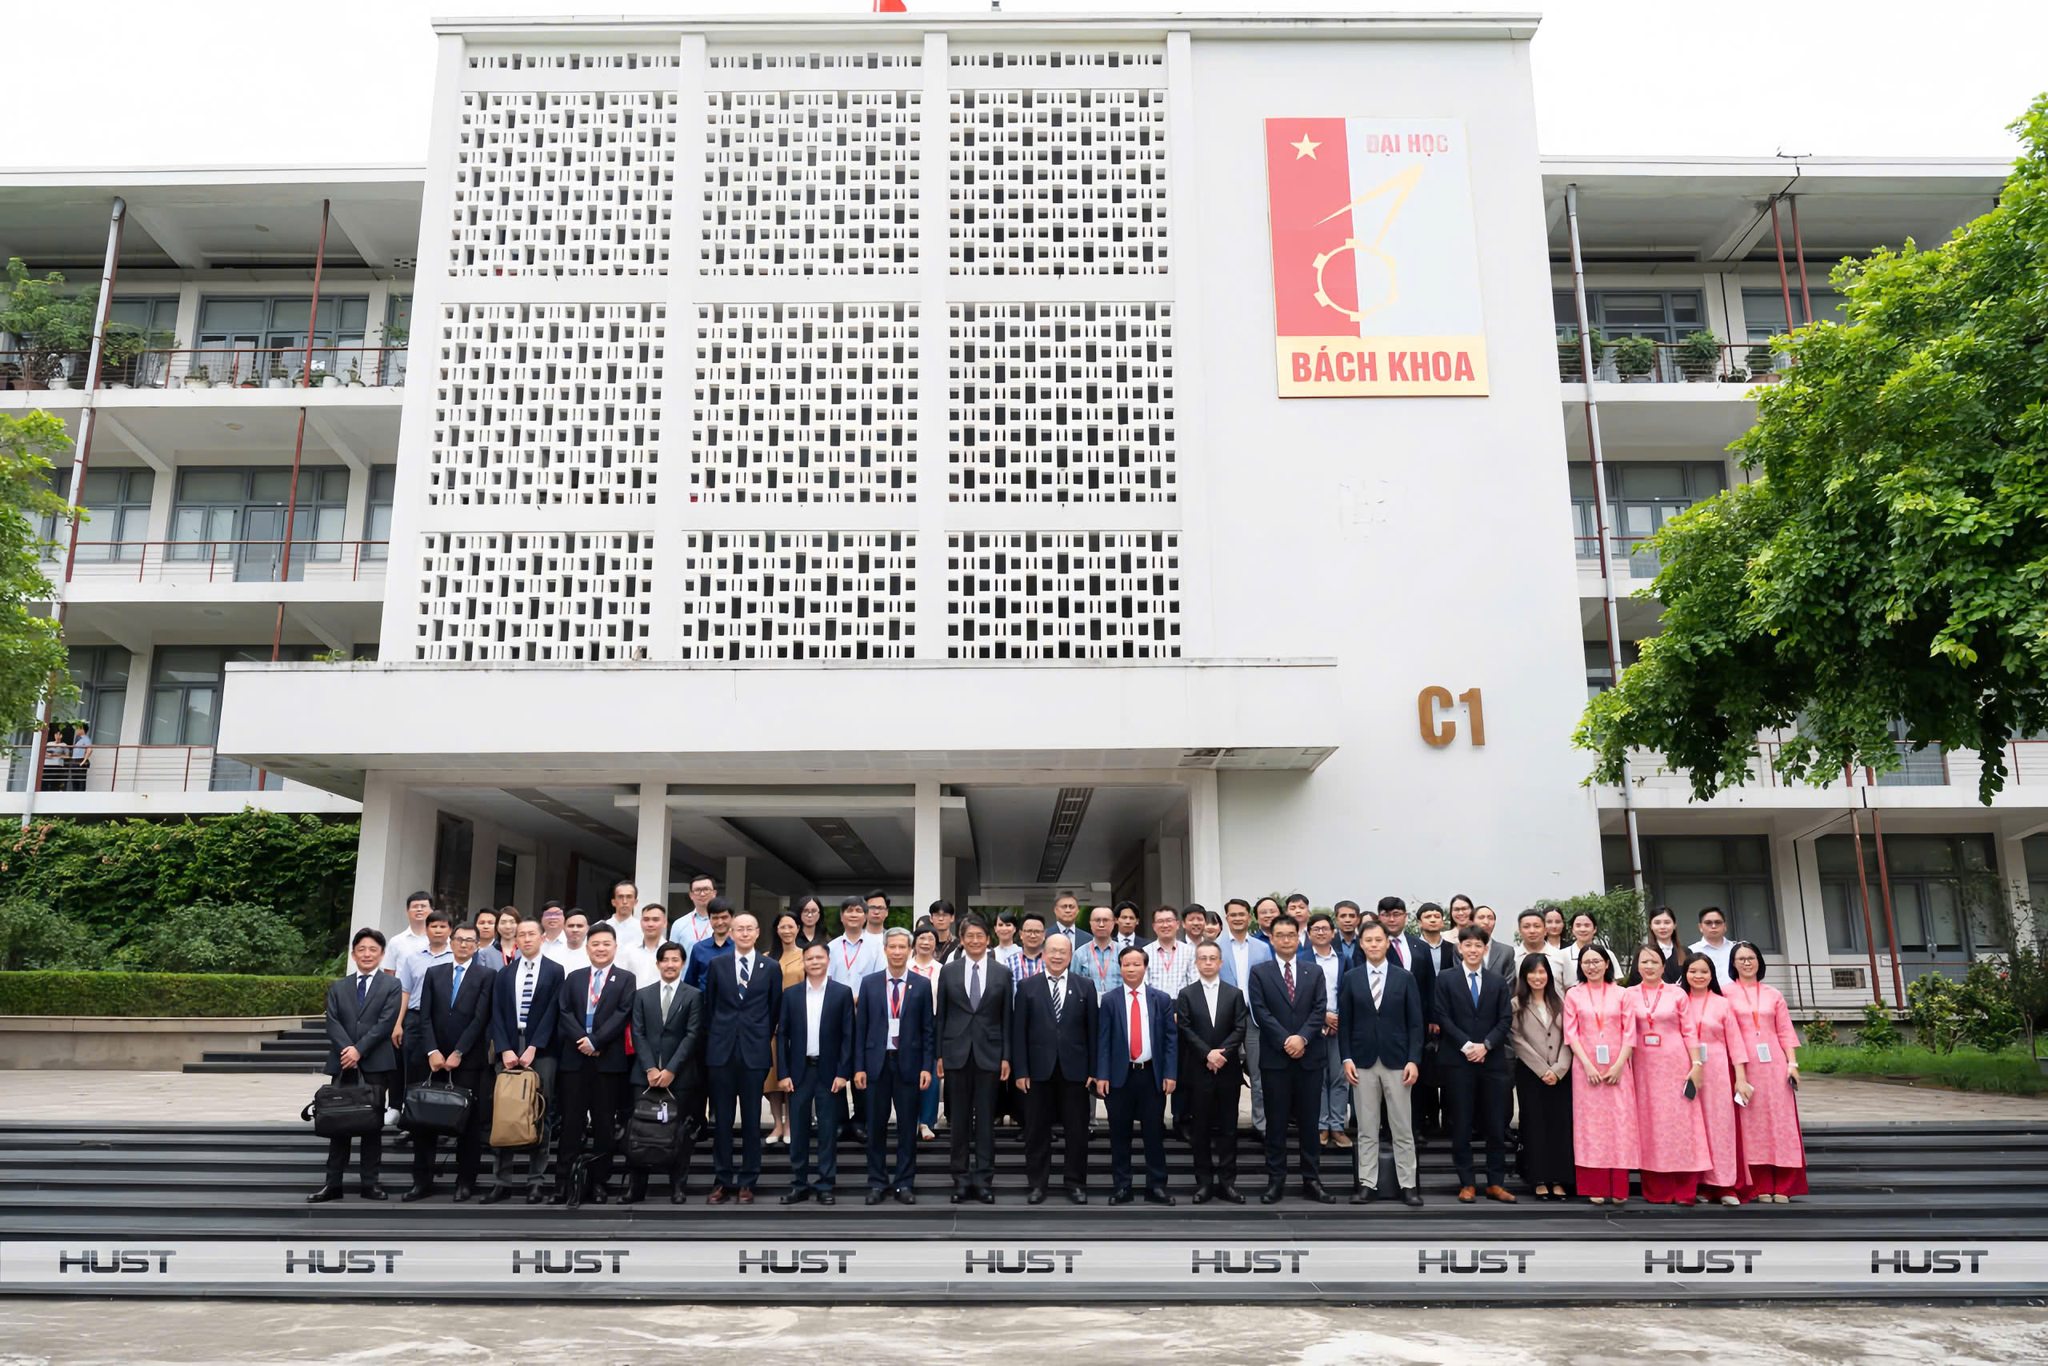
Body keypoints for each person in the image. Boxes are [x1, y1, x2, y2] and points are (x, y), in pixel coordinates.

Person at [310, 928, 402, 1203]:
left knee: (371, 1125)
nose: (367, 954)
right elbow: (332, 1022)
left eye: (373, 949)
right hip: (343, 1063)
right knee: (340, 1122)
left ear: (382, 954)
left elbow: (386, 1022)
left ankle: (370, 1183)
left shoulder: (391, 985)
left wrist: (359, 1050)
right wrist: (348, 1050)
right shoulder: (339, 987)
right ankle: (332, 1184)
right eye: (361, 949)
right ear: (353, 954)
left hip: (375, 1063)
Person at [403, 920, 492, 1203]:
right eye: (459, 939)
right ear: (451, 942)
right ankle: (422, 1181)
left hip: (467, 1060)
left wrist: (459, 1052)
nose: (463, 944)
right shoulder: (434, 973)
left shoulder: (486, 975)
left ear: (477, 946)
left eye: (470, 940)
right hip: (433, 1059)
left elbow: (480, 1019)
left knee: (468, 1123)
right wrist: (432, 1051)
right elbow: (424, 1015)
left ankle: (465, 1181)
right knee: (424, 1120)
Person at [1247, 914, 1333, 1204]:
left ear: (1299, 938)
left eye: (1290, 935)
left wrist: (1303, 1038)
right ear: (1271, 939)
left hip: (1309, 1058)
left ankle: (1312, 1179)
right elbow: (1261, 1011)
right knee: (1277, 1123)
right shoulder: (1260, 972)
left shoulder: (1314, 971)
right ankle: (1276, 1180)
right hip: (1276, 1059)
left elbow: (1319, 1008)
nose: (1286, 940)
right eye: (1279, 935)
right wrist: (1286, 1039)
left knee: (1310, 1124)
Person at [1338, 918, 1424, 1207]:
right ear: (1361, 944)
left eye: (1379, 940)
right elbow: (1346, 1023)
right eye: (1369, 940)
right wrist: (1346, 1057)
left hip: (1398, 1061)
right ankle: (1367, 1183)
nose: (1374, 945)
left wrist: (1414, 1059)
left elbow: (1415, 1024)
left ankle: (1408, 1184)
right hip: (1362, 1061)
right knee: (1367, 1127)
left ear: (1388, 943)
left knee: (1402, 1126)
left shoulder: (1405, 977)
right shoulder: (1351, 978)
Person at [482, 915, 565, 1204]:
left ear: (543, 937)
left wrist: (534, 1047)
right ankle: (502, 1180)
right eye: (522, 934)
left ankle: (535, 1181)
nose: (527, 939)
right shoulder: (504, 974)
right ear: (515, 939)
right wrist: (504, 1048)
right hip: (508, 1045)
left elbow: (554, 1012)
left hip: (541, 1051)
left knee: (540, 1113)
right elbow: (496, 1013)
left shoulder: (556, 971)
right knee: (504, 1113)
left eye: (532, 934)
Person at [552, 923, 634, 1204]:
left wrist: (597, 1041)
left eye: (606, 944)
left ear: (615, 947)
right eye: (595, 944)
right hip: (575, 1061)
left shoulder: (625, 979)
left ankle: (599, 1182)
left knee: (603, 1126)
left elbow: (623, 1013)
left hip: (607, 1062)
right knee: (571, 1124)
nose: (600, 949)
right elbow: (563, 1011)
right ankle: (563, 1183)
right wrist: (582, 1041)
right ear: (587, 948)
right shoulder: (573, 977)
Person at [702, 912, 781, 1204]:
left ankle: (748, 1180)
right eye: (739, 929)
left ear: (758, 932)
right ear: (731, 933)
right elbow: (709, 1007)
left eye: (750, 928)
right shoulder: (717, 965)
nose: (744, 933)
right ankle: (722, 1179)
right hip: (721, 1051)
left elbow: (774, 1008)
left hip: (754, 1052)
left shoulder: (770, 967)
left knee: (750, 1121)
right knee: (722, 1121)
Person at [1011, 933, 1097, 1204]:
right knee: (1036, 1132)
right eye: (1053, 951)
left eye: (1063, 951)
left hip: (1076, 1072)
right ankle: (1037, 1184)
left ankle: (1075, 1184)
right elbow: (1019, 1033)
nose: (1058, 956)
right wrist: (1021, 1071)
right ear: (1044, 954)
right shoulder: (1027, 987)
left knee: (1077, 1131)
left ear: (1070, 956)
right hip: (1038, 1072)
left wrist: (1094, 1070)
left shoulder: (1086, 986)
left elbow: (1093, 1032)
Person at [1435, 925, 1515, 1204]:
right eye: (1467, 945)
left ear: (1485, 949)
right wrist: (1467, 1046)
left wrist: (1486, 1045)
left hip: (1491, 1062)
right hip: (1458, 1061)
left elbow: (1505, 1019)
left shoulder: (1496, 982)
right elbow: (1442, 1015)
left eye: (1477, 946)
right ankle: (1467, 1182)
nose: (1472, 950)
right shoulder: (1445, 979)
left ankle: (1495, 1183)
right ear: (1460, 948)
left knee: (1495, 1125)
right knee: (1462, 1124)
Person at [1624, 943, 1710, 1205]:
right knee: (1651, 1124)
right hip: (1644, 1067)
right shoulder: (1627, 995)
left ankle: (1685, 1188)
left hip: (1675, 1062)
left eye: (1654, 962)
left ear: (1663, 965)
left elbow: (1689, 1030)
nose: (1649, 967)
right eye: (1644, 962)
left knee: (1681, 1124)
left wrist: (1696, 1064)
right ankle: (1657, 1188)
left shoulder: (1677, 994)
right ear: (1637, 966)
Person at [936, 914, 1012, 1202]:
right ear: (962, 939)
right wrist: (939, 1054)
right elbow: (941, 1015)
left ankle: (983, 1179)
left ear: (988, 939)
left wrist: (1007, 1056)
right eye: (970, 936)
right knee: (959, 1121)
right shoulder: (949, 971)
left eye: (980, 936)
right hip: (956, 1053)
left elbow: (1007, 1017)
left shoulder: (1002, 973)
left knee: (985, 1121)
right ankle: (960, 1178)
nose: (975, 941)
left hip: (990, 1054)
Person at [854, 927, 933, 1205]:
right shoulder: (870, 983)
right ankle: (876, 1182)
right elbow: (860, 1027)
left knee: (907, 1127)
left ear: (910, 950)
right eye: (893, 947)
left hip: (909, 1064)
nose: (897, 952)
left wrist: (927, 1066)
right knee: (875, 1127)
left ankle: (904, 1183)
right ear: (885, 950)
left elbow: (927, 1030)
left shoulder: (921, 985)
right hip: (876, 1064)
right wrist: (859, 1066)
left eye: (902, 947)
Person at [1096, 945, 1177, 1205]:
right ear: (1120, 969)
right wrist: (1102, 1075)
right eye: (1126, 965)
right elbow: (1103, 1041)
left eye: (1136, 964)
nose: (1131, 969)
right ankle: (1122, 1186)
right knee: (1119, 1134)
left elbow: (1170, 1040)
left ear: (1145, 966)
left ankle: (1156, 1186)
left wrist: (1170, 1073)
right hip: (1120, 1077)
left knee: (1154, 1133)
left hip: (1151, 1074)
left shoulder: (1161, 999)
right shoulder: (1109, 1000)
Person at [1726, 942, 1807, 1202]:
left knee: (1779, 1121)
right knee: (1752, 1123)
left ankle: (1783, 1183)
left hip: (1774, 1064)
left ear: (1759, 962)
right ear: (1733, 963)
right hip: (1743, 1063)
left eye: (1751, 958)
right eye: (1741, 959)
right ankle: (1758, 1183)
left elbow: (1785, 1031)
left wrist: (1792, 1064)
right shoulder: (1726, 994)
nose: (1747, 963)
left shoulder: (1773, 994)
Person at [624, 943, 704, 1205]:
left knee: (678, 1133)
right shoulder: (642, 995)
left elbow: (693, 1035)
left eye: (675, 960)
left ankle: (677, 1187)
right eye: (665, 960)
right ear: (657, 964)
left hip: (679, 1077)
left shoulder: (693, 995)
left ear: (682, 964)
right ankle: (636, 1188)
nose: (670, 964)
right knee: (640, 1131)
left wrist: (670, 1069)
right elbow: (638, 1033)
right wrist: (650, 1067)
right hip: (644, 1076)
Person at [777, 941, 854, 1205]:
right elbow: (783, 1035)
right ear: (803, 962)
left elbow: (848, 1036)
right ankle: (799, 1184)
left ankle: (825, 1184)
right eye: (809, 958)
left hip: (829, 1072)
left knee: (827, 1131)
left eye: (819, 958)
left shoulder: (842, 993)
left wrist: (844, 1072)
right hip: (798, 1073)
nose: (815, 962)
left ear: (828, 960)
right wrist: (783, 1073)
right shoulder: (791, 994)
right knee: (798, 1131)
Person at [1561, 942, 1637, 1204]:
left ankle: (1618, 1186)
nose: (1591, 966)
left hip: (1619, 1069)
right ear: (1580, 967)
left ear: (1607, 964)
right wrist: (1588, 1065)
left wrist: (1618, 1065)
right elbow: (1571, 1034)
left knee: (1619, 1124)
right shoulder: (1574, 995)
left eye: (1596, 961)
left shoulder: (1623, 994)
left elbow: (1630, 1033)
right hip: (1586, 1070)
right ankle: (1595, 1184)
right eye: (1586, 962)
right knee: (1591, 1127)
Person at [1175, 941, 1246, 1204]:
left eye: (1212, 958)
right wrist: (1207, 1054)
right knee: (1201, 1129)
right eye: (1202, 958)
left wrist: (1221, 1054)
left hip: (1227, 1071)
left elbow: (1240, 1028)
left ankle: (1228, 1183)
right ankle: (1204, 1183)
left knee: (1229, 1129)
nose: (1207, 962)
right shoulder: (1186, 994)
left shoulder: (1234, 993)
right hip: (1198, 1070)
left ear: (1220, 962)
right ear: (1196, 962)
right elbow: (1185, 1028)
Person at [1680, 952, 1752, 1206]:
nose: (1698, 976)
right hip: (1685, 1070)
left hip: (1718, 1071)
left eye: (1704, 972)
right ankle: (1698, 1182)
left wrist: (1740, 1078)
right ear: (1685, 974)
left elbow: (1736, 1043)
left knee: (1720, 1128)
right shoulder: (1680, 1001)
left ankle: (1724, 1185)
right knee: (1692, 1128)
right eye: (1693, 971)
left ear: (1712, 975)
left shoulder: (1722, 1004)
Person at [1510, 951, 1574, 1201]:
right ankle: (1538, 1178)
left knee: (1559, 1126)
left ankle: (1558, 1178)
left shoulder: (1562, 1003)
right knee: (1535, 1126)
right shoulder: (1516, 1005)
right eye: (1532, 972)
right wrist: (1541, 1069)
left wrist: (1558, 1069)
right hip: (1531, 1075)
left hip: (1560, 1074)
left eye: (1542, 972)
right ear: (1524, 976)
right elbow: (1516, 1040)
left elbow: (1570, 1038)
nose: (1538, 977)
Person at [1217, 897, 1275, 1134]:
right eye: (1233, 915)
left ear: (1249, 917)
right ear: (1227, 918)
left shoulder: (1262, 948)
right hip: (1224, 1018)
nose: (1238, 918)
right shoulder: (1215, 947)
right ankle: (1222, 1124)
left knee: (1258, 1072)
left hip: (1255, 1017)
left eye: (1242, 914)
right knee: (1222, 1074)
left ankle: (1261, 1123)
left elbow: (1271, 982)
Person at [827, 895, 883, 1143]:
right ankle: (840, 1121)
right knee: (837, 1065)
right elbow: (825, 979)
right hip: (836, 1014)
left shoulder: (875, 946)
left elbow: (879, 978)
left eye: (858, 911)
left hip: (865, 1014)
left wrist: (859, 998)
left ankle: (861, 1121)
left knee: (863, 1068)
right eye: (848, 911)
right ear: (841, 916)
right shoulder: (830, 947)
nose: (853, 915)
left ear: (865, 915)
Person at [394, 908, 455, 1094]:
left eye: (442, 926)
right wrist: (398, 1023)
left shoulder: (456, 958)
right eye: (433, 926)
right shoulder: (413, 958)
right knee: (413, 1063)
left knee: (441, 1065)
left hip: (444, 1019)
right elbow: (405, 991)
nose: (437, 930)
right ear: (426, 930)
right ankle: (410, 1107)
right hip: (415, 1017)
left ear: (450, 930)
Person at [1303, 911, 1350, 1150]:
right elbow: (1299, 996)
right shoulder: (1302, 959)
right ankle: (1321, 1125)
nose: (1321, 933)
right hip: (1313, 1026)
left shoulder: (1343, 959)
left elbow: (1350, 990)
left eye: (1325, 929)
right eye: (1316, 929)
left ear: (1333, 933)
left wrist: (1339, 1017)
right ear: (1309, 934)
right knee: (1318, 1078)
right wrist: (1322, 1018)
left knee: (1340, 1078)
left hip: (1341, 1024)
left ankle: (1338, 1126)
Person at [762, 910, 807, 1148]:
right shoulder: (767, 957)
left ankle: (790, 1124)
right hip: (771, 1024)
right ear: (776, 930)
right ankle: (777, 1124)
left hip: (797, 1024)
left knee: (791, 1076)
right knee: (771, 1079)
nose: (787, 931)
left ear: (798, 928)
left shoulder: (806, 956)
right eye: (783, 927)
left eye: (791, 926)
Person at [907, 924, 944, 1139]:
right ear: (914, 943)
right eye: (921, 938)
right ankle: (910, 1119)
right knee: (908, 1074)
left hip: (934, 1023)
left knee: (930, 1073)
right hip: (907, 1025)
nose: (925, 942)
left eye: (930, 938)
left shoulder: (942, 969)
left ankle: (927, 1122)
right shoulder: (906, 966)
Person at [1512, 908, 1572, 996]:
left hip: (1556, 1009)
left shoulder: (1561, 956)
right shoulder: (1512, 956)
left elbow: (1570, 989)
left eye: (1537, 926)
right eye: (1526, 927)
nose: (1532, 931)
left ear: (1545, 930)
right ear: (1520, 931)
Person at [682, 898, 735, 993]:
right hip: (704, 1004)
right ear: (709, 919)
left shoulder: (740, 948)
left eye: (724, 917)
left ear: (732, 918)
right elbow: (689, 983)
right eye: (715, 918)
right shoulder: (698, 948)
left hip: (733, 1005)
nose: (720, 922)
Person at [1143, 905, 1198, 998]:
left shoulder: (1190, 951)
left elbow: (1194, 982)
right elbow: (1143, 983)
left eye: (1169, 920)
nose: (1165, 925)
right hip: (1155, 1005)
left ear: (1177, 924)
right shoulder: (1144, 952)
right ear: (1154, 926)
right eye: (1160, 921)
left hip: (1182, 1006)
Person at [614, 901, 670, 988]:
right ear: (640, 922)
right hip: (633, 999)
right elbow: (620, 979)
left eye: (655, 920)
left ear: (665, 923)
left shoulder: (671, 951)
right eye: (646, 919)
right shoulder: (628, 950)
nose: (650, 924)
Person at [667, 874, 719, 954]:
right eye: (697, 890)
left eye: (706, 889)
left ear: (714, 893)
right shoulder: (679, 924)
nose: (702, 894)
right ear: (691, 895)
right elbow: (672, 955)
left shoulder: (724, 923)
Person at [1078, 906, 1123, 998]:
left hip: (1117, 1005)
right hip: (1088, 1005)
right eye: (1097, 920)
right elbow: (1074, 984)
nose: (1101, 924)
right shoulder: (1079, 953)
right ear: (1090, 923)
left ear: (1114, 923)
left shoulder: (1124, 952)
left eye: (1106, 920)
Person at [1689, 907, 1736, 987]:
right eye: (1708, 923)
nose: (1713, 926)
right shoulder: (1691, 951)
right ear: (1700, 927)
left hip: (1736, 996)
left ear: (1725, 926)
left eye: (1718, 922)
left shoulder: (1736, 949)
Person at [1471, 905, 1515, 980]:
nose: (1486, 922)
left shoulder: (1506, 951)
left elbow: (1509, 983)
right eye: (1481, 917)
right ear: (1471, 922)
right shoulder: (1461, 949)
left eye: (1490, 918)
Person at [1645, 907, 1686, 982]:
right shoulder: (1643, 952)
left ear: (1674, 925)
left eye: (1667, 922)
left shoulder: (1686, 952)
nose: (1662, 927)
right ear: (1651, 926)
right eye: (1657, 923)